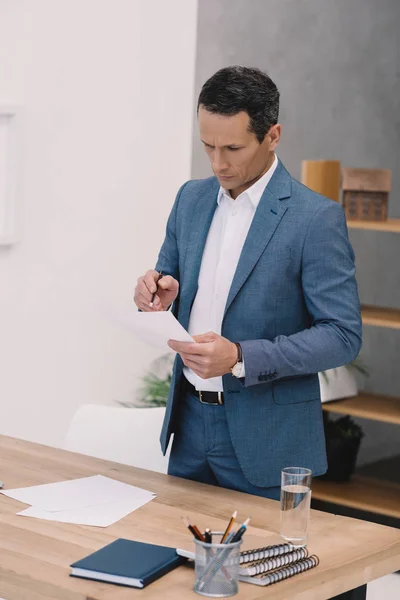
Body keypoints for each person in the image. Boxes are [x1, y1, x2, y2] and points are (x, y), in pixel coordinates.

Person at [134, 66, 362, 500]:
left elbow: (343, 336)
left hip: (269, 442)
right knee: (175, 558)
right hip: (188, 427)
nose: (218, 163)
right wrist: (155, 296)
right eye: (208, 146)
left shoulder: (315, 219)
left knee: (257, 566)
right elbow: (166, 281)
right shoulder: (190, 199)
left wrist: (239, 357)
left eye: (233, 148)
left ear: (273, 136)